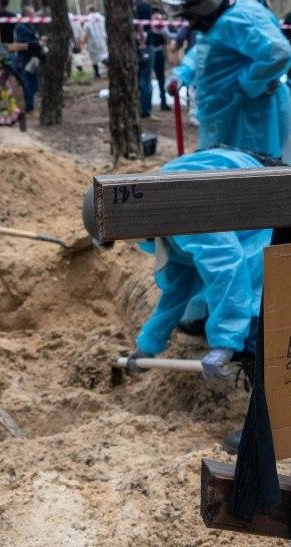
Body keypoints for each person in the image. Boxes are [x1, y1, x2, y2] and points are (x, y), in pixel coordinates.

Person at [85, 148, 269, 379]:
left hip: (260, 213)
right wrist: (148, 345)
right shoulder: (153, 212)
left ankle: (254, 378)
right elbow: (180, 286)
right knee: (212, 305)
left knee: (255, 333)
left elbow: (227, 265)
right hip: (236, 186)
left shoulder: (179, 210)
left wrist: (225, 342)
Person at [161, 0, 291, 164]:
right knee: (221, 168)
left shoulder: (239, 20)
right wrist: (182, 74)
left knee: (250, 172)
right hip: (223, 113)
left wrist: (247, 84)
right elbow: (205, 51)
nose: (190, 24)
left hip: (248, 117)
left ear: (204, 8)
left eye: (190, 17)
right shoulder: (218, 21)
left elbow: (278, 53)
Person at [134, 0, 165, 116]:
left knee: (138, 77)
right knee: (146, 78)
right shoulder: (145, 6)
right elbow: (141, 25)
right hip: (146, 45)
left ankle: (137, 106)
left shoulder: (133, 4)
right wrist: (142, 42)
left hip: (134, 46)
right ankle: (145, 110)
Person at [12, 7, 46, 113]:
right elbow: (23, 43)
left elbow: (33, 38)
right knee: (28, 82)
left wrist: (40, 41)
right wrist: (37, 43)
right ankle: (28, 106)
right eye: (33, 14)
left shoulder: (31, 26)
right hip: (26, 59)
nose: (35, 16)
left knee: (34, 83)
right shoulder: (22, 27)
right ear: (27, 15)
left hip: (34, 59)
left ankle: (29, 104)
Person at [82, 4, 108, 79]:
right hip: (102, 39)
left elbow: (86, 31)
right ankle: (110, 67)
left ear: (89, 11)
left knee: (94, 58)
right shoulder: (101, 18)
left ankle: (97, 74)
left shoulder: (88, 19)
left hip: (92, 41)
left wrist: (84, 41)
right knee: (103, 55)